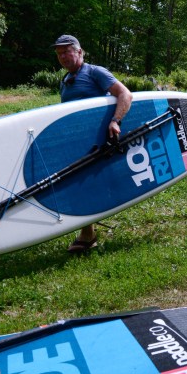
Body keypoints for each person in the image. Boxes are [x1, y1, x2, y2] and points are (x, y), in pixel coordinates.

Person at [51, 34, 133, 253]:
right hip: (76, 141)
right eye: (59, 53)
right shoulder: (66, 80)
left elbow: (125, 94)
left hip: (96, 140)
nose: (63, 57)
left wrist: (116, 121)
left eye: (67, 51)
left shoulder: (95, 72)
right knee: (78, 184)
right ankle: (87, 233)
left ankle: (88, 235)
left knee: (85, 183)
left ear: (80, 52)